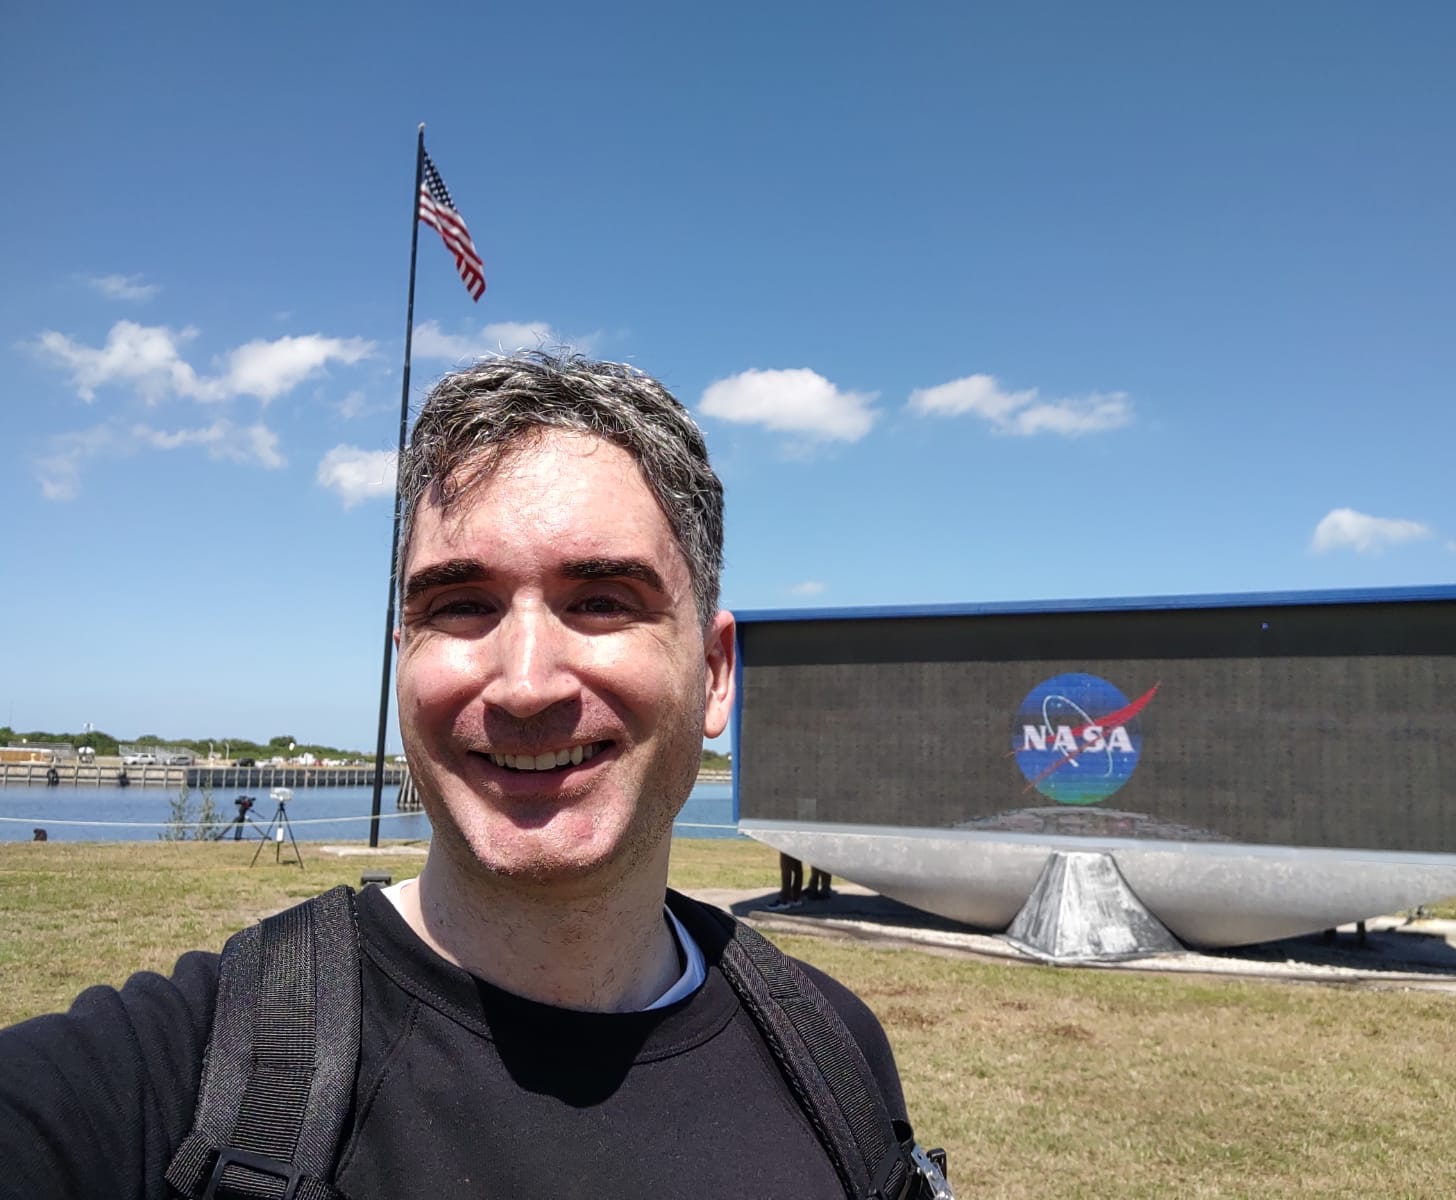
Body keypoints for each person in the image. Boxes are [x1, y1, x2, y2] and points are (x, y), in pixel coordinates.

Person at [0, 353, 940, 1199]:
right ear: (401, 656)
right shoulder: (182, 1084)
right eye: (461, 605)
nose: (525, 684)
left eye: (603, 600)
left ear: (714, 673)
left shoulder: (834, 1059)